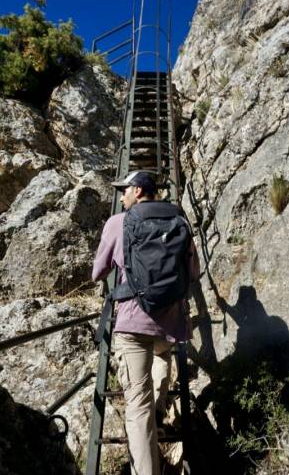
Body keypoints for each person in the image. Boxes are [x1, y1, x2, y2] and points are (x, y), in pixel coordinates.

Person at [92, 170, 200, 475]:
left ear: (138, 191)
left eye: (124, 191)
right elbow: (193, 272)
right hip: (170, 324)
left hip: (133, 323)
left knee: (138, 409)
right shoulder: (180, 221)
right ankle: (160, 406)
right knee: (161, 356)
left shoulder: (118, 223)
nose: (121, 196)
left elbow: (97, 273)